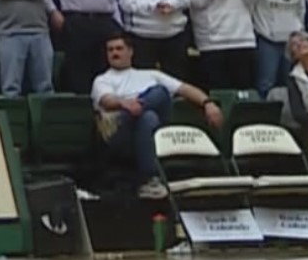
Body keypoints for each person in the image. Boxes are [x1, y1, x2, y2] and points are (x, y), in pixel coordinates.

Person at [92, 32, 225, 199]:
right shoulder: (102, 79)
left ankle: (149, 181)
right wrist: (124, 104)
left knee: (153, 108)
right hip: (118, 130)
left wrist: (208, 103)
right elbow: (106, 101)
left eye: (119, 48)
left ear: (131, 51)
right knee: (152, 107)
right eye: (110, 50)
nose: (114, 53)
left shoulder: (150, 75)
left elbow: (185, 89)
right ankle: (150, 180)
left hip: (150, 129)